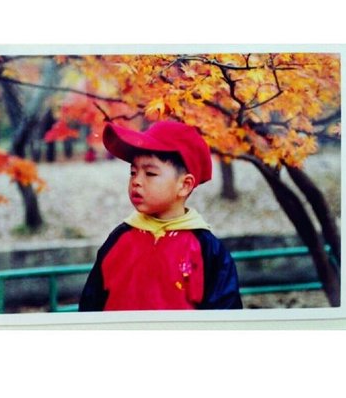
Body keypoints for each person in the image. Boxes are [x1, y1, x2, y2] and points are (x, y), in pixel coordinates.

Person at [78, 120, 242, 311]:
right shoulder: (119, 239)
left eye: (150, 173)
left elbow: (225, 317)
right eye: (133, 172)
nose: (136, 181)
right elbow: (90, 307)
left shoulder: (207, 250)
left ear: (184, 185)